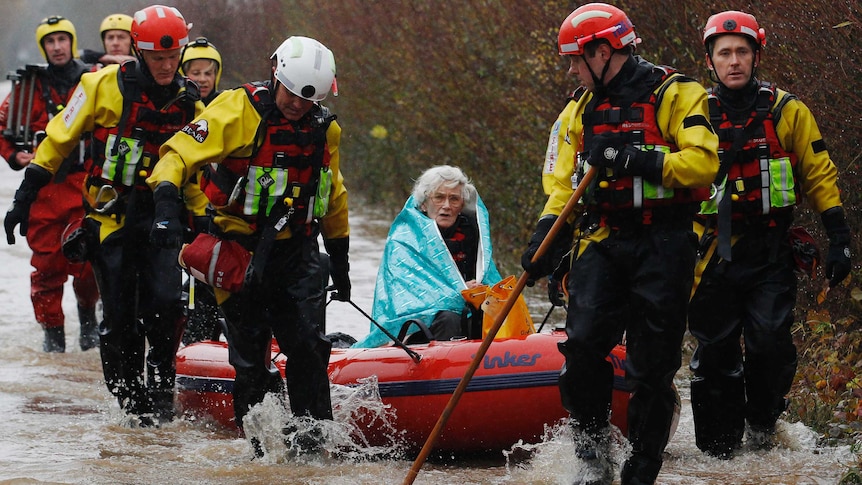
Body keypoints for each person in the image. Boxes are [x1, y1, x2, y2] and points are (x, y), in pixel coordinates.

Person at [522, 4, 719, 484]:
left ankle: (643, 465)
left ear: (603, 51)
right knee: (583, 348)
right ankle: (593, 458)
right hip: (603, 240)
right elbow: (562, 183)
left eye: (575, 59)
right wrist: (544, 238)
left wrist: (635, 159)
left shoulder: (680, 94)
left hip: (666, 242)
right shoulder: (577, 111)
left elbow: (703, 164)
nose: (570, 69)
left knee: (653, 364)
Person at [146, 35, 350, 455]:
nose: (296, 104)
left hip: (298, 253)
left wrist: (342, 258)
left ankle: (314, 451)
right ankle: (260, 453)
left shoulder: (324, 129)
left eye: (305, 99)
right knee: (250, 362)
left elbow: (334, 194)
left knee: (309, 348)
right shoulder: (237, 109)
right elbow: (177, 154)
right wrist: (166, 202)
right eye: (291, 94)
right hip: (241, 253)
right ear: (276, 74)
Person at [4, 5, 202, 425]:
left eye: (173, 57)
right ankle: (131, 405)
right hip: (110, 218)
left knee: (166, 306)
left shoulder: (190, 101)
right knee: (120, 316)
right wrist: (25, 196)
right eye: (157, 57)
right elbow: (57, 141)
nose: (166, 66)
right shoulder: (97, 86)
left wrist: (206, 222)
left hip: (163, 219)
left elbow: (196, 173)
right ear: (138, 50)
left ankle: (163, 391)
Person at [687, 10, 852, 459]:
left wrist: (838, 237)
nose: (734, 61)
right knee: (716, 353)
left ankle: (761, 427)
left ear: (756, 55)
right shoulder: (692, 112)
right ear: (710, 61)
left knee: (770, 344)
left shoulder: (787, 110)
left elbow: (819, 173)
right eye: (725, 53)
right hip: (710, 255)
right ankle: (718, 453)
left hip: (770, 251)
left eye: (742, 51)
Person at [0, 15, 100, 352]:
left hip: (84, 187)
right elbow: (2, 128)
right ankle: (53, 337)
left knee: (88, 264)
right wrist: (16, 157)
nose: (57, 47)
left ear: (72, 43)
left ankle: (88, 323)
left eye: (62, 40)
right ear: (44, 47)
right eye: (50, 42)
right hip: (43, 191)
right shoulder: (29, 87)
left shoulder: (94, 80)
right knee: (46, 268)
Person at [353, 165, 503, 348]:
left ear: (461, 205)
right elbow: (407, 299)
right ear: (424, 203)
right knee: (449, 318)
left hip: (469, 315)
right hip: (420, 329)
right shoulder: (404, 240)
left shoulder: (474, 237)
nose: (446, 206)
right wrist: (461, 292)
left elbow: (489, 281)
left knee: (491, 311)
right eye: (439, 198)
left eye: (454, 199)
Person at [177, 36, 226, 344]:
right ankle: (189, 338)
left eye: (209, 73)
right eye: (196, 73)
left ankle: (209, 338)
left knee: (211, 276)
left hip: (214, 207)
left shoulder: (227, 106)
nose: (203, 80)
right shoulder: (177, 105)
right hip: (181, 205)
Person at [180, 37, 223, 105]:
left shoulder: (226, 107)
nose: (202, 79)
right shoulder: (172, 108)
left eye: (208, 73)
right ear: (183, 74)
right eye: (196, 73)